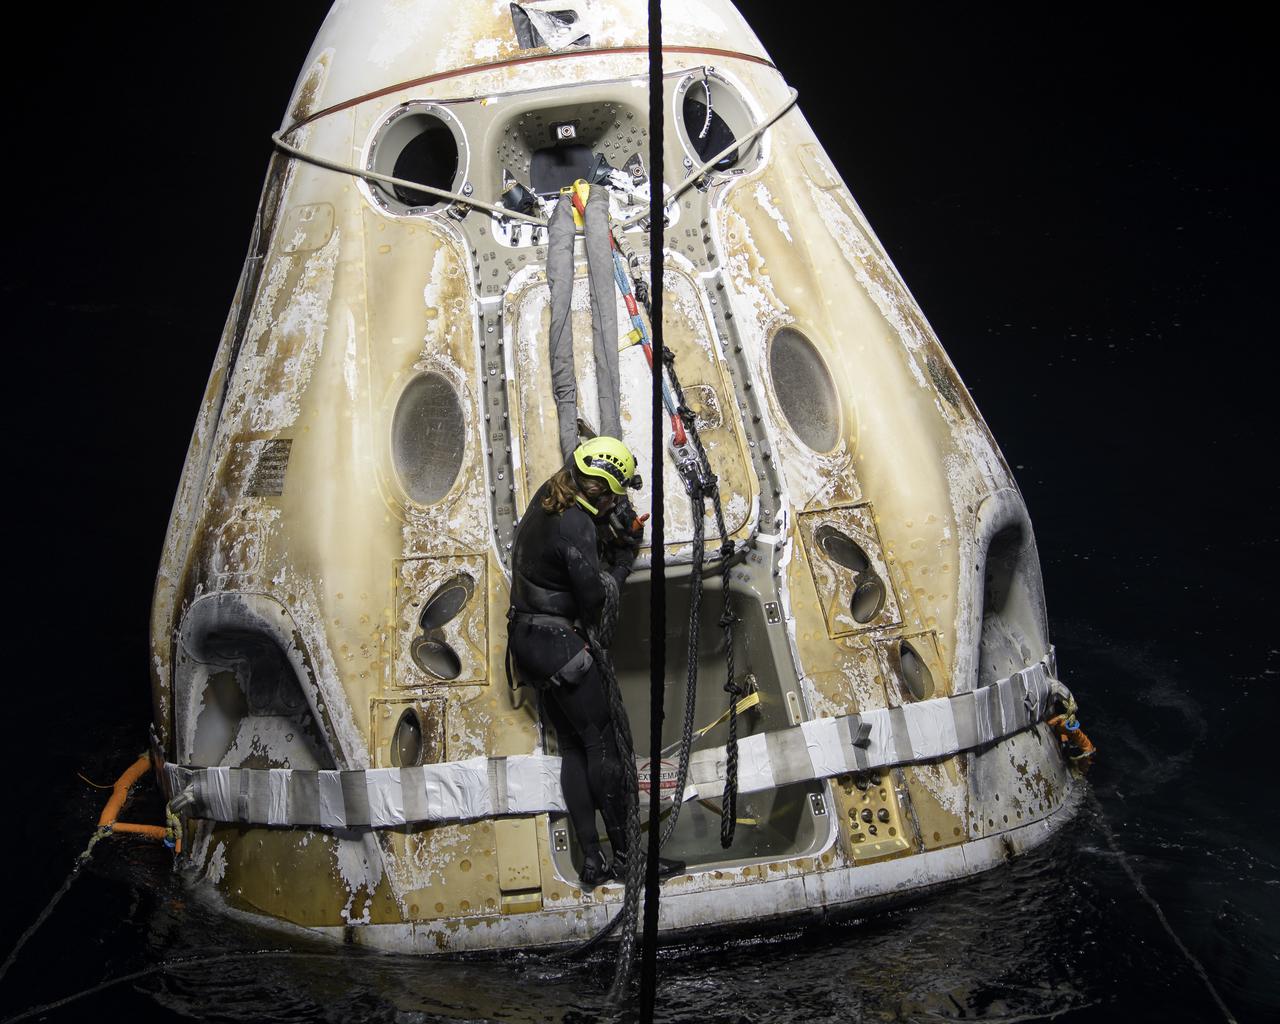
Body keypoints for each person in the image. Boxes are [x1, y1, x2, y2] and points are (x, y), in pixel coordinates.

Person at [507, 436, 665, 887]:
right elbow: (594, 598)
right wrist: (624, 557)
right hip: (559, 643)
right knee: (606, 747)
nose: (618, 500)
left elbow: (559, 562)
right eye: (614, 493)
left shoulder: (550, 492)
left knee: (575, 747)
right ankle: (626, 860)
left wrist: (606, 531)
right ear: (599, 489)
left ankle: (591, 860)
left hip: (528, 640)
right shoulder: (575, 524)